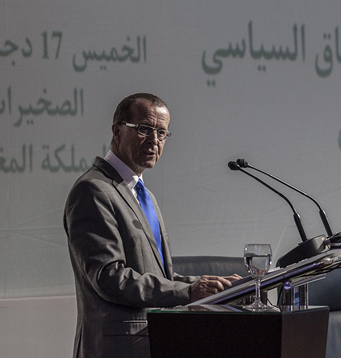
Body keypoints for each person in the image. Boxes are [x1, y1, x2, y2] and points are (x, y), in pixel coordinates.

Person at [64, 93, 240, 358]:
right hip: (118, 349)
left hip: (155, 342)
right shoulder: (94, 190)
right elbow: (109, 277)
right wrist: (188, 291)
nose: (154, 140)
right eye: (144, 129)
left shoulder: (142, 193)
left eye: (162, 133)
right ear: (117, 131)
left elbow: (159, 278)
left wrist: (211, 286)